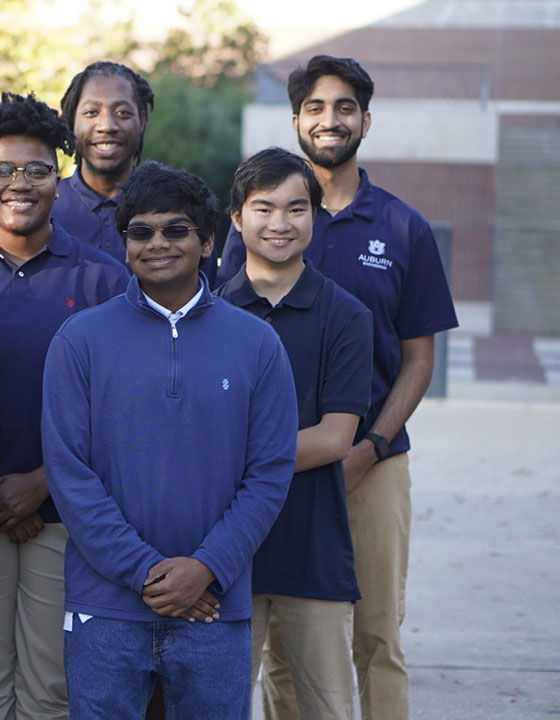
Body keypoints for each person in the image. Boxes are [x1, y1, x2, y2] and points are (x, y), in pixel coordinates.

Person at [216, 56, 459, 720]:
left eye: (344, 107)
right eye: (316, 108)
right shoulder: (258, 223)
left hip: (372, 462)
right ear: (296, 120)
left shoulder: (403, 227)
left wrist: (370, 445)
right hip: (270, 468)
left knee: (377, 634)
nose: (330, 119)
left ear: (365, 120)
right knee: (285, 646)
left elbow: (418, 358)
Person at [41, 162, 298, 717]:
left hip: (215, 605)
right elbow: (69, 472)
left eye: (176, 230)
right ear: (126, 244)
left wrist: (205, 568)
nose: (157, 243)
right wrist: (147, 573)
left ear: (208, 241)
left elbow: (270, 472)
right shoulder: (80, 340)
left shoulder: (256, 342)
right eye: (141, 232)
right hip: (105, 608)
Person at [0, 92, 129, 720]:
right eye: (2, 170)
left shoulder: (105, 279)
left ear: (60, 176)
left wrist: (41, 483)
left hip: (67, 514)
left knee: (53, 690)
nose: (18, 184)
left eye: (36, 170)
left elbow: (122, 408)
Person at [216, 147, 373, 720]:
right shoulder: (211, 312)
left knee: (327, 707)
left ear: (315, 216)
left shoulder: (347, 316)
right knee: (217, 704)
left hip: (314, 548)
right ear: (236, 219)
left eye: (296, 208)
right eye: (264, 208)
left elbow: (336, 438)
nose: (280, 223)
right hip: (224, 551)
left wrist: (227, 458)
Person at [54, 61, 155, 263]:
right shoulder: (45, 209)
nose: (107, 126)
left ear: (142, 121)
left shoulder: (175, 209)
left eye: (123, 113)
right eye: (91, 112)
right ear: (72, 121)